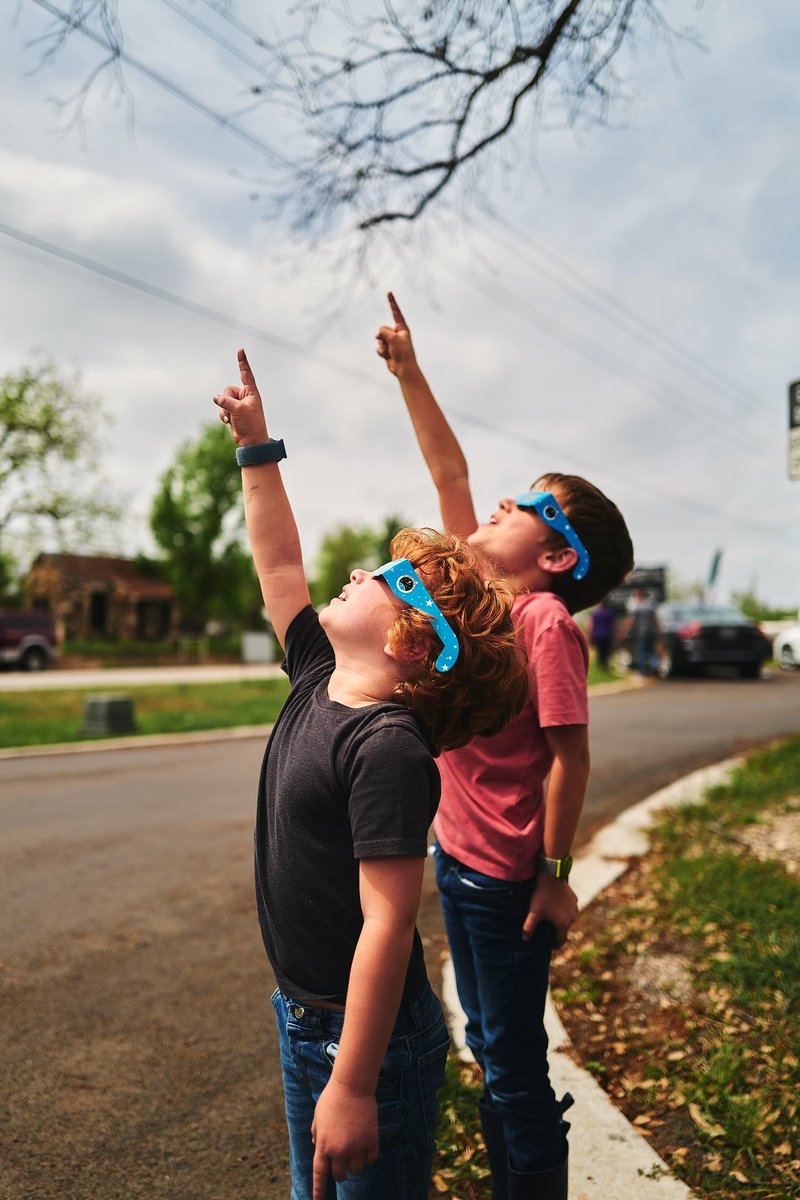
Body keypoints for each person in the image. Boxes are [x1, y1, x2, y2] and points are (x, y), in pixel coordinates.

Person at [212, 349, 529, 1200]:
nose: (355, 574)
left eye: (382, 581)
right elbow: (280, 565)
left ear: (411, 643)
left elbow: (388, 925)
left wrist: (352, 1085)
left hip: (371, 1048)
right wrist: (257, 446)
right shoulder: (317, 672)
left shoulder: (386, 747)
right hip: (305, 1021)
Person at [375, 295, 635, 1200]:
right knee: (488, 1043)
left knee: (513, 1063)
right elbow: (449, 466)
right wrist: (411, 373)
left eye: (526, 505)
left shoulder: (544, 624)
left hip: (510, 885)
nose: (496, 503)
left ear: (558, 556)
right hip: (462, 861)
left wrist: (558, 872)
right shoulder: (482, 598)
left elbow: (571, 757)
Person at [588, 598, 618, 670]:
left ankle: (600, 665)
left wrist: (591, 634)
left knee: (600, 651)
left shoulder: (596, 613)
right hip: (607, 635)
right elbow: (613, 625)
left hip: (598, 635)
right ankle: (605, 665)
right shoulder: (609, 613)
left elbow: (592, 625)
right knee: (606, 651)